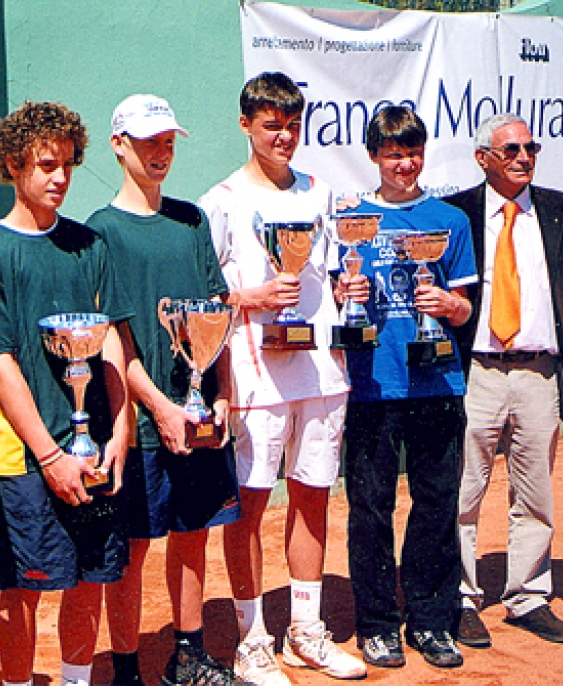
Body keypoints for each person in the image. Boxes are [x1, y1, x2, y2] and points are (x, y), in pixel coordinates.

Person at [198, 72, 367, 685]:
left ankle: (305, 630)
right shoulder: (219, 201)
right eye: (271, 125)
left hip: (322, 371)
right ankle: (250, 638)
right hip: (254, 377)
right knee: (247, 508)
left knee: (314, 497)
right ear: (246, 125)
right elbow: (206, 297)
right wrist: (254, 293)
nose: (284, 136)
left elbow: (333, 270)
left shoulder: (322, 193)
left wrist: (348, 286)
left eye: (292, 125)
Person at [0, 101, 133, 686]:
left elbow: (111, 342)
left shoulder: (89, 246)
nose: (59, 177)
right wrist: (51, 456)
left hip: (93, 448)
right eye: (45, 164)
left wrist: (120, 434)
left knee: (90, 581)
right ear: (14, 165)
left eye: (67, 165)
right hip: (27, 458)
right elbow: (1, 367)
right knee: (23, 589)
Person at [87, 94, 246, 686]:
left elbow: (216, 318)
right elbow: (115, 342)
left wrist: (222, 394)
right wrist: (158, 407)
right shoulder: (100, 233)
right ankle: (127, 667)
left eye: (169, 141)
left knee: (192, 534)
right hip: (143, 421)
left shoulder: (191, 220)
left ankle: (187, 654)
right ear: (119, 145)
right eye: (149, 141)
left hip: (199, 415)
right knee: (132, 549)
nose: (161, 152)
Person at [445, 113, 563, 648]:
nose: (523, 156)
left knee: (535, 493)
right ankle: (460, 598)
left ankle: (528, 596)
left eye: (531, 147)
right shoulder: (456, 214)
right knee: (463, 491)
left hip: (540, 373)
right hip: (476, 374)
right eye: (510, 148)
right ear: (483, 157)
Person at [340, 105, 476, 670]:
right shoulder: (352, 221)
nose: (405, 163)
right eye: (393, 153)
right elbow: (333, 299)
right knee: (370, 508)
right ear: (374, 155)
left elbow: (467, 307)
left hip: (438, 381)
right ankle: (376, 624)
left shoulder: (450, 221)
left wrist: (448, 305)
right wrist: (348, 291)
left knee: (438, 504)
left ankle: (430, 619)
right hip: (374, 384)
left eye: (413, 152)